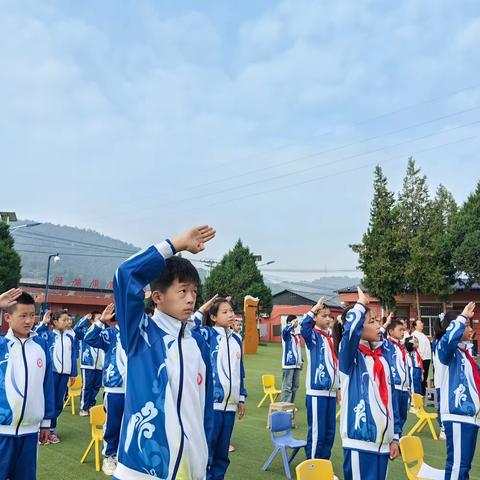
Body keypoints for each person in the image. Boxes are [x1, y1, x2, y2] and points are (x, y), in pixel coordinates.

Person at [112, 225, 215, 479]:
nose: (191, 299)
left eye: (194, 291)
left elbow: (205, 410)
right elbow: (125, 275)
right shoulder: (140, 334)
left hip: (191, 469)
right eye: (182, 291)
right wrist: (176, 245)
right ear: (157, 297)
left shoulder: (198, 342)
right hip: (141, 470)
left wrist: (204, 460)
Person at [335, 288, 399, 480]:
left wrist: (394, 438)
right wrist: (360, 305)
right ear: (359, 329)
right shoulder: (349, 358)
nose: (379, 326)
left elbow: (390, 400)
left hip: (383, 446)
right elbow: (351, 331)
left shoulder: (382, 358)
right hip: (359, 444)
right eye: (372, 321)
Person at [0, 289, 54, 479]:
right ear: (7, 317)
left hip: (30, 433)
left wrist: (46, 422)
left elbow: (47, 385)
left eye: (32, 315)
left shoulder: (41, 345)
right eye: (22, 315)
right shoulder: (1, 345)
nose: (29, 321)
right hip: (1, 432)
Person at [195, 294, 247, 480]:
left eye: (231, 310)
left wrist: (241, 397)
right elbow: (190, 327)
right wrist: (202, 309)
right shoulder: (207, 335)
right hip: (212, 406)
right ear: (214, 317)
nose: (230, 314)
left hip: (230, 406)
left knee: (222, 456)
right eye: (225, 312)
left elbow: (239, 370)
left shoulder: (236, 339)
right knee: (207, 452)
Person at [436, 302, 478, 480]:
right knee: (457, 467)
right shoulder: (445, 350)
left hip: (469, 417)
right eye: (467, 325)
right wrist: (462, 317)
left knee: (464, 467)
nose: (471, 329)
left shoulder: (464, 354)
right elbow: (448, 339)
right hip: (458, 414)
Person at [84, 303, 127, 476]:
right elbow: (89, 338)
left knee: (131, 425)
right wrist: (101, 321)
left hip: (136, 389)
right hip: (115, 388)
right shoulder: (110, 334)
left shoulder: (140, 335)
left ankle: (125, 457)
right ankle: (109, 456)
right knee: (113, 424)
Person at [300, 298, 338, 460]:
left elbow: (336, 365)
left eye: (330, 316)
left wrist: (338, 388)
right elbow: (303, 328)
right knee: (317, 432)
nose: (328, 318)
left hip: (331, 393)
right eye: (324, 315)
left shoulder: (330, 337)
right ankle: (313, 467)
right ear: (315, 318)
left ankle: (324, 464)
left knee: (329, 433)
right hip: (317, 392)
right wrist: (313, 309)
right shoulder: (313, 336)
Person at [35, 310, 77, 444]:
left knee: (58, 403)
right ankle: (40, 430)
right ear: (55, 322)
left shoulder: (70, 338)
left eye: (68, 320)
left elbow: (73, 356)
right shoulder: (48, 336)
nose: (67, 322)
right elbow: (35, 335)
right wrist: (43, 323)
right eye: (63, 320)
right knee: (48, 401)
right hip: (51, 374)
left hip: (64, 375)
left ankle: (51, 431)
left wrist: (73, 373)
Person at [381, 315, 410, 435]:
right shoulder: (386, 344)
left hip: (403, 388)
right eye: (400, 330)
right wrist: (386, 323)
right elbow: (378, 336)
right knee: (394, 416)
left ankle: (398, 438)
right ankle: (392, 438)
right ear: (391, 331)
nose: (403, 332)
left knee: (403, 416)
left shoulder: (402, 347)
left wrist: (408, 386)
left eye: (404, 330)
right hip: (394, 387)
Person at [74, 311, 105, 416]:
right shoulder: (85, 331)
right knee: (87, 386)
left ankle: (91, 405)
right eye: (98, 318)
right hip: (88, 363)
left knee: (96, 386)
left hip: (100, 364)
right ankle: (84, 408)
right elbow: (75, 330)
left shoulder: (104, 332)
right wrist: (85, 319)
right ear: (92, 320)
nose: (101, 320)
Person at [280, 314, 303, 403]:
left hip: (297, 364)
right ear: (290, 322)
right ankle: (285, 405)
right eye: (295, 321)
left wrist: (301, 361)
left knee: (295, 386)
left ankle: (290, 404)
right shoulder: (286, 334)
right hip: (288, 363)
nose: (297, 323)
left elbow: (298, 349)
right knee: (287, 386)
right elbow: (285, 330)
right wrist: (291, 324)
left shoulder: (296, 335)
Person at [411, 319, 432, 396]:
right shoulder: (414, 335)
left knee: (425, 377)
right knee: (420, 378)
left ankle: (423, 394)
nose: (422, 324)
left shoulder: (423, 335)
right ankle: (418, 395)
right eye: (420, 323)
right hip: (421, 359)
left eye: (421, 323)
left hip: (427, 358)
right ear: (415, 326)